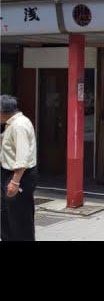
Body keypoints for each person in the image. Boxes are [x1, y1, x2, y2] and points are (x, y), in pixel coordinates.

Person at [1, 95, 38, 241]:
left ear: (3, 111)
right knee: (6, 214)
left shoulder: (19, 126)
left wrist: (15, 182)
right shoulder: (12, 123)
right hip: (8, 172)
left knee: (20, 216)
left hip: (20, 175)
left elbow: (22, 157)